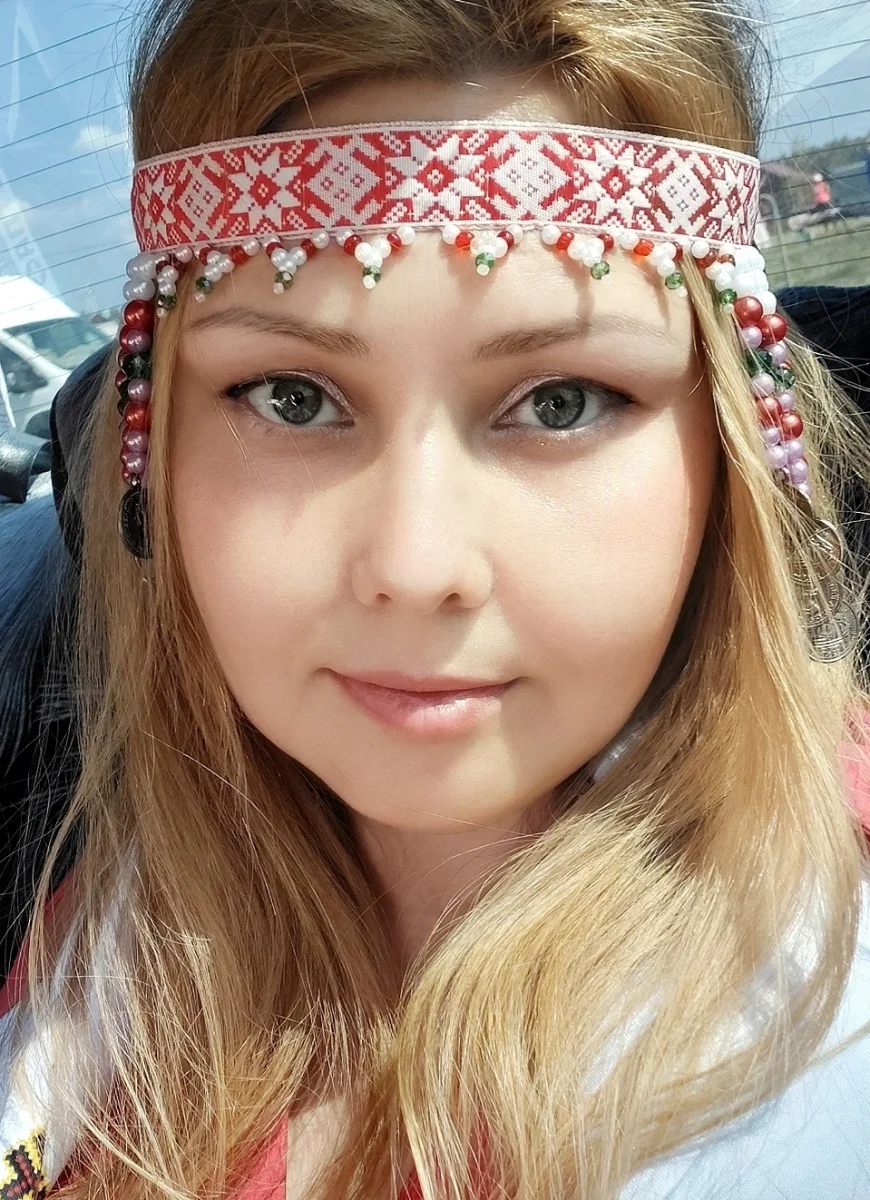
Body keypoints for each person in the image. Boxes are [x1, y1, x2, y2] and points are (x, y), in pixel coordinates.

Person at [2, 2, 870, 1198]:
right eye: (292, 398)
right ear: (150, 456)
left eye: (561, 402)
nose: (414, 565)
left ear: (728, 455)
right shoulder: (100, 937)